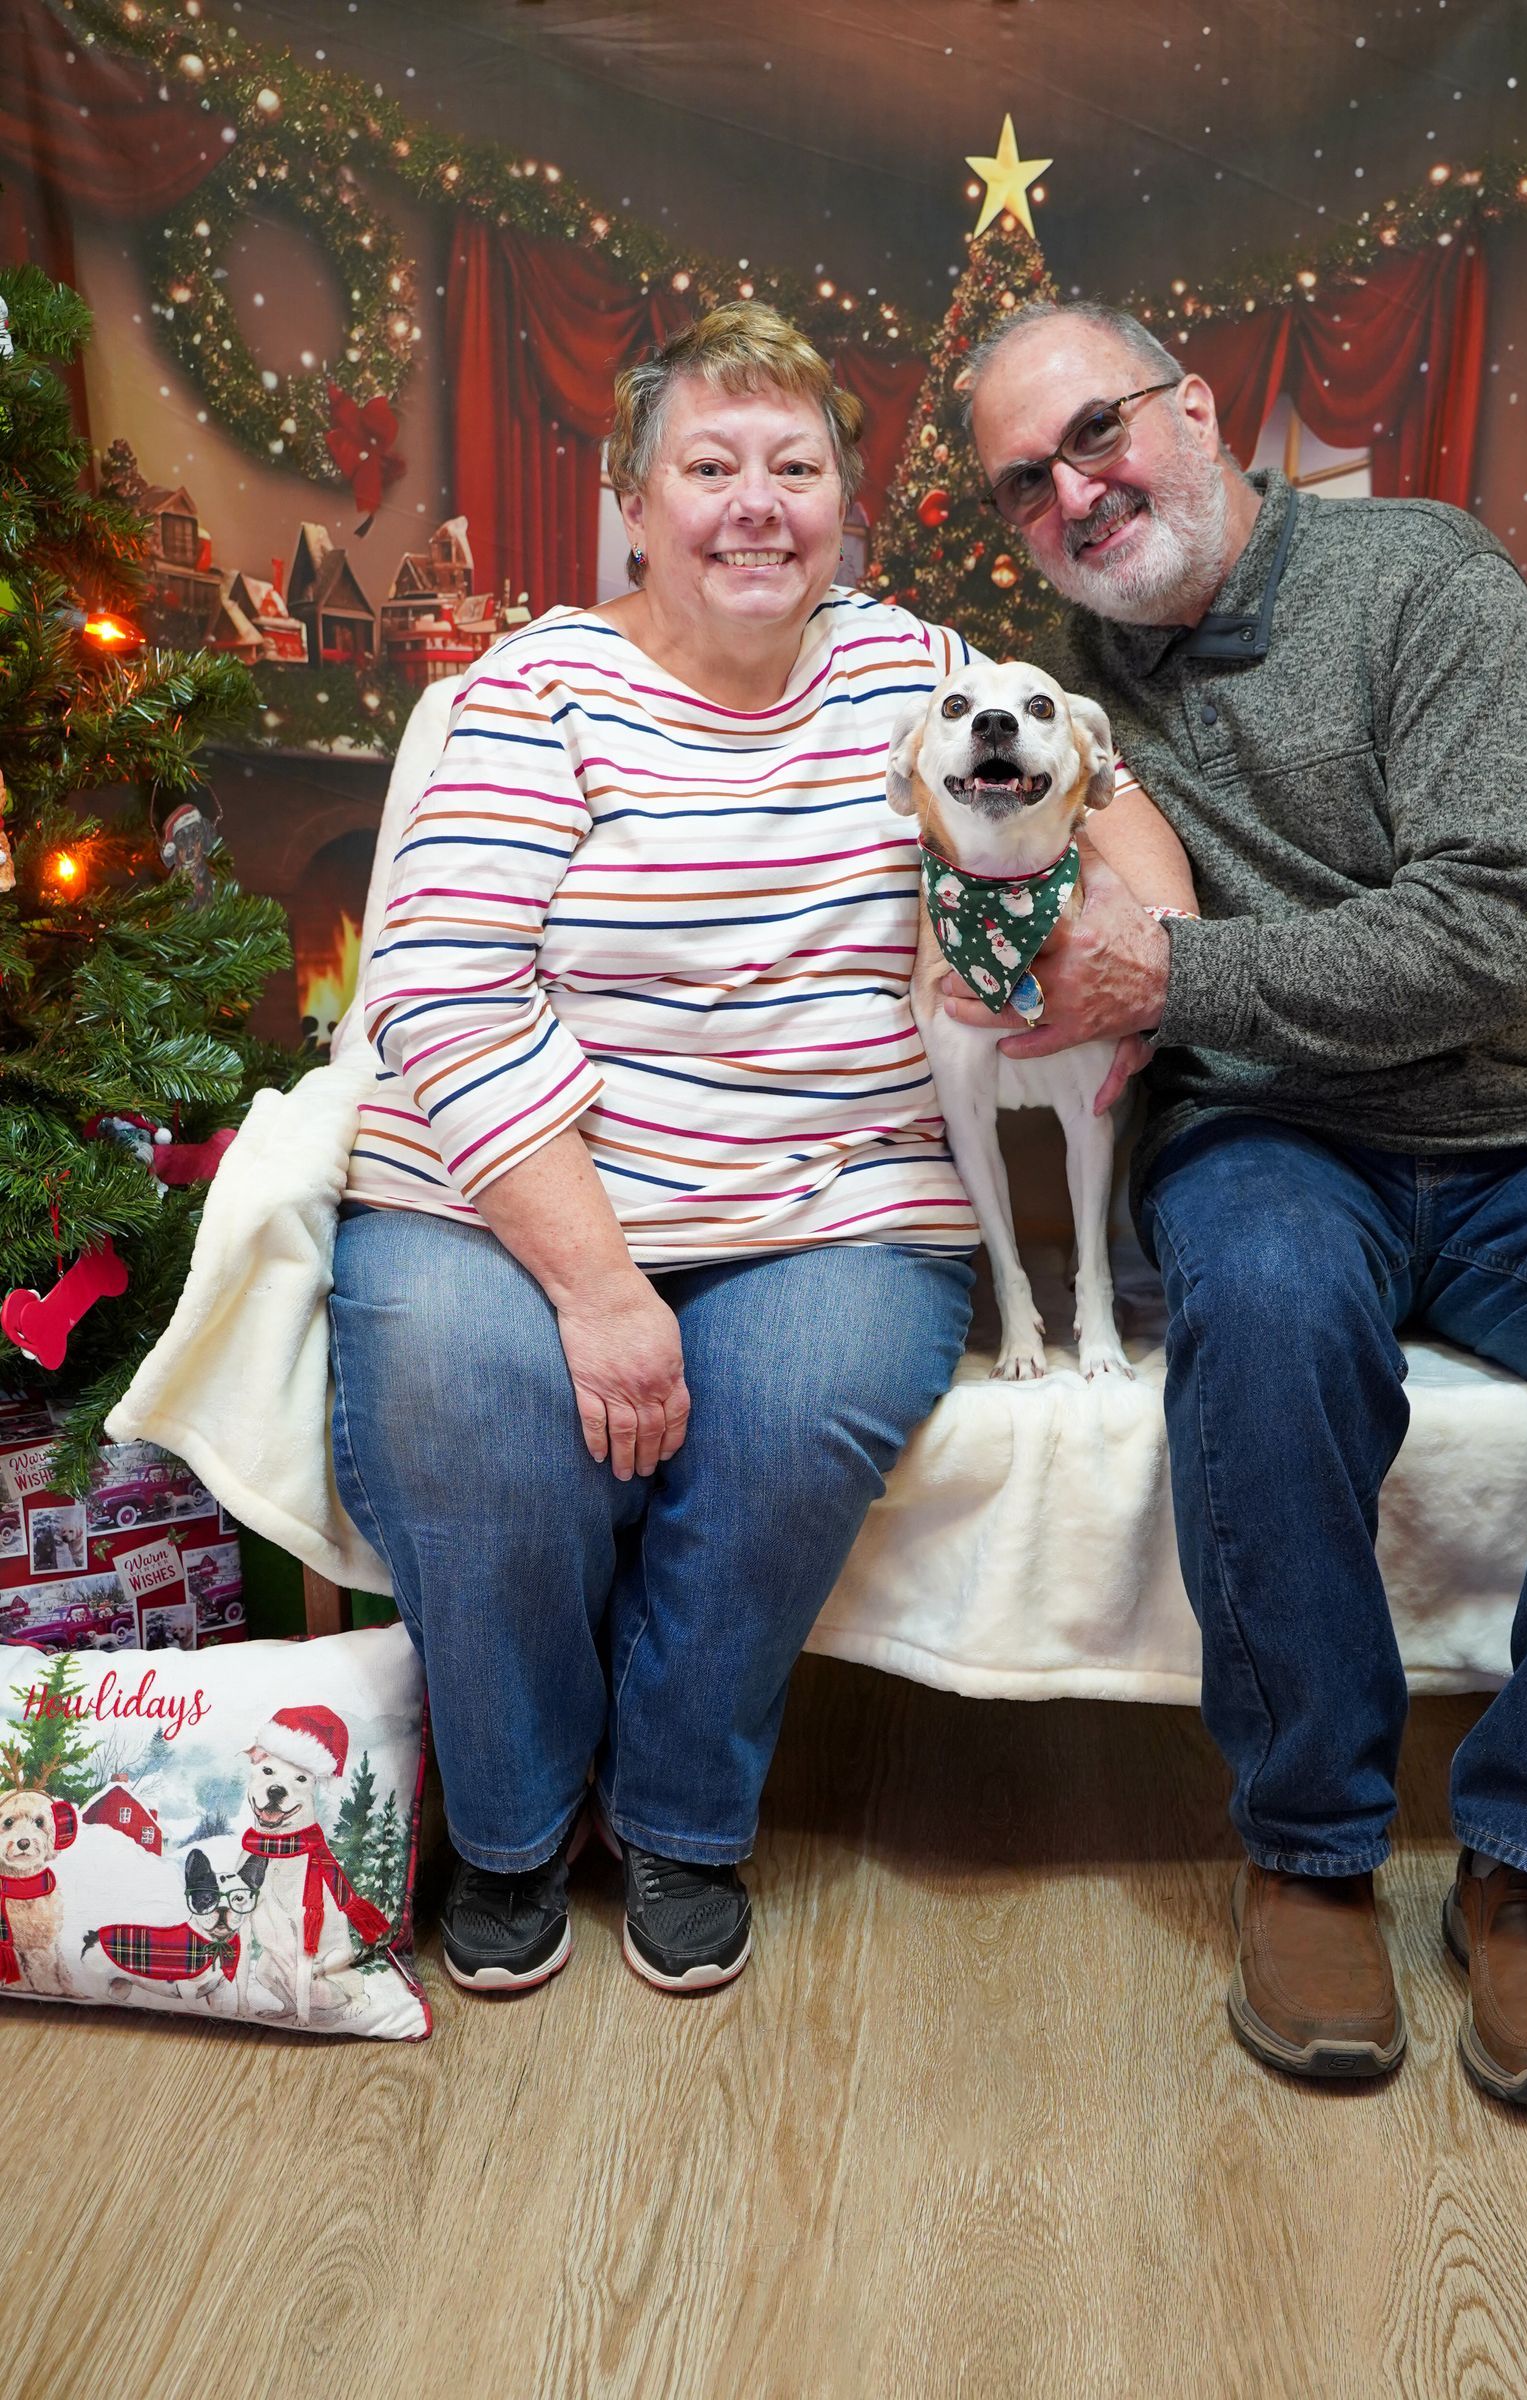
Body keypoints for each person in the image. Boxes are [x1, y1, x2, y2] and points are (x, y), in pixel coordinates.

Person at [959, 301, 1527, 2108]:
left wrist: (1175, 973)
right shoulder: (1041, 699)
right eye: (1024, 485)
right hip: (1267, 1132)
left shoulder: (1428, 578)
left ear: (1196, 409)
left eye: (1095, 432)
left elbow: (1487, 933)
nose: (1075, 494)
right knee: (1261, 1308)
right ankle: (1311, 1847)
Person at [330, 304, 994, 1999]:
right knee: (470, 1405)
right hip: (503, 1195)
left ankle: (682, 1814)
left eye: (797, 466)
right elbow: (444, 991)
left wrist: (1139, 927)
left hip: (830, 1194)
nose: (755, 503)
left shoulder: (912, 670)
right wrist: (603, 1286)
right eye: (710, 467)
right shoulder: (537, 691)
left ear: (845, 501)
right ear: (634, 506)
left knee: (791, 1415)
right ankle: (512, 1824)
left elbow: (1095, 777)